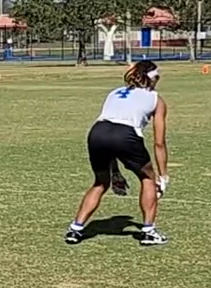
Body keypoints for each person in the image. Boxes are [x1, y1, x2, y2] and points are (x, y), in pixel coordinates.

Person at [65, 61, 169, 247]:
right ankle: (149, 232)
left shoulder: (114, 92)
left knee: (100, 182)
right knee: (148, 179)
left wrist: (114, 172)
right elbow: (159, 143)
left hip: (97, 132)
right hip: (126, 134)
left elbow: (110, 134)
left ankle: (75, 229)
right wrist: (163, 176)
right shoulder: (156, 99)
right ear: (153, 79)